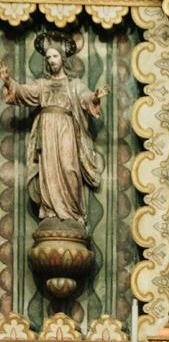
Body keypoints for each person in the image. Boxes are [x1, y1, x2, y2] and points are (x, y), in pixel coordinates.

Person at [0, 33, 107, 227]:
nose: (51, 60)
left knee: (69, 168)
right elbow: (23, 92)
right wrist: (8, 81)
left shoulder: (73, 85)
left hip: (66, 128)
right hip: (47, 131)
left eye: (55, 56)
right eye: (48, 57)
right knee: (48, 171)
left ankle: (73, 213)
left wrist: (95, 97)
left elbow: (85, 97)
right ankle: (50, 211)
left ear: (62, 58)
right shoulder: (42, 85)